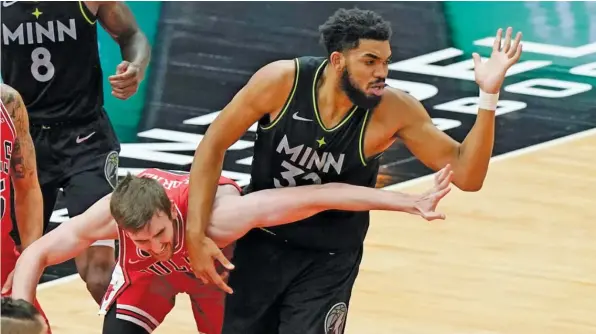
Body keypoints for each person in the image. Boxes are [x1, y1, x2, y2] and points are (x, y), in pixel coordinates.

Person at [186, 7, 523, 333]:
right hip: (261, 242)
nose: (382, 72)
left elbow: (468, 175)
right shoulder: (281, 82)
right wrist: (195, 235)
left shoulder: (394, 110)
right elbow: (212, 146)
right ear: (337, 61)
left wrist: (488, 95)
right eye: (370, 61)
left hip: (329, 256)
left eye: (386, 61)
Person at [11, 165, 454, 334]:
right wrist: (22, 312)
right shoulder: (112, 213)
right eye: (140, 240)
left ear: (173, 212)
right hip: (149, 282)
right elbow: (36, 255)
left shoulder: (222, 215)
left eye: (159, 234)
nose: (154, 245)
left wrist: (407, 201)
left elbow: (317, 195)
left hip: (217, 278)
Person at [0, 1, 151, 304]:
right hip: (23, 139)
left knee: (100, 273)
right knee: (10, 273)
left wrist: (135, 66)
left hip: (86, 139)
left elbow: (131, 34)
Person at [0, 85, 50, 333]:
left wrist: (29, 261)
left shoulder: (8, 102)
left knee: (35, 327)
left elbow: (28, 185)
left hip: (3, 261)